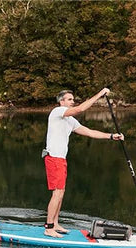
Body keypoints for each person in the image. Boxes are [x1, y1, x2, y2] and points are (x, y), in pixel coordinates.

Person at [43, 88, 124, 238]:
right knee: (57, 193)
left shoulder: (70, 120)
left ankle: (55, 223)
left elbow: (90, 132)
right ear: (62, 101)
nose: (72, 102)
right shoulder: (57, 112)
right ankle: (48, 228)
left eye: (73, 99)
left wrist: (111, 136)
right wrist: (100, 94)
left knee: (61, 193)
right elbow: (80, 109)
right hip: (53, 158)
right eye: (69, 99)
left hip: (61, 159)